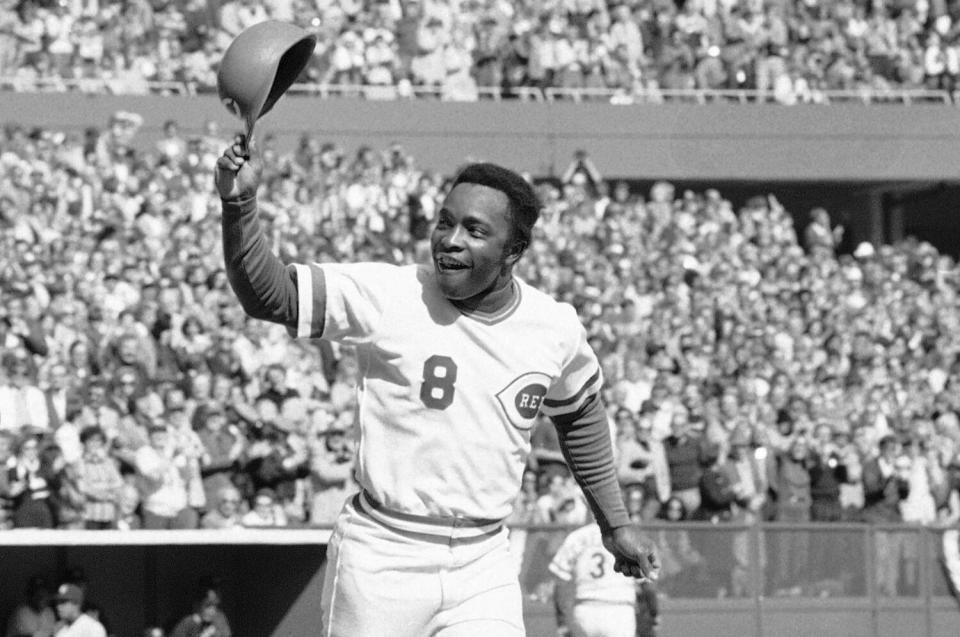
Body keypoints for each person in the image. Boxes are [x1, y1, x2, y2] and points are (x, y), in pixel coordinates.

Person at [215, 137, 658, 636]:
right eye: (445, 221)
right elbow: (268, 295)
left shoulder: (552, 326)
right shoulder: (390, 293)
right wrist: (239, 205)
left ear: (513, 250)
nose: (450, 238)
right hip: (383, 553)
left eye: (474, 230)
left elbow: (579, 414)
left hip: (484, 559)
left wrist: (614, 524)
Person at [549, 522, 640, 637]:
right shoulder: (631, 537)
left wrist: (562, 622)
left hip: (586, 609)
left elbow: (560, 581)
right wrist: (652, 615)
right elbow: (647, 586)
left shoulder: (578, 536)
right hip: (621, 610)